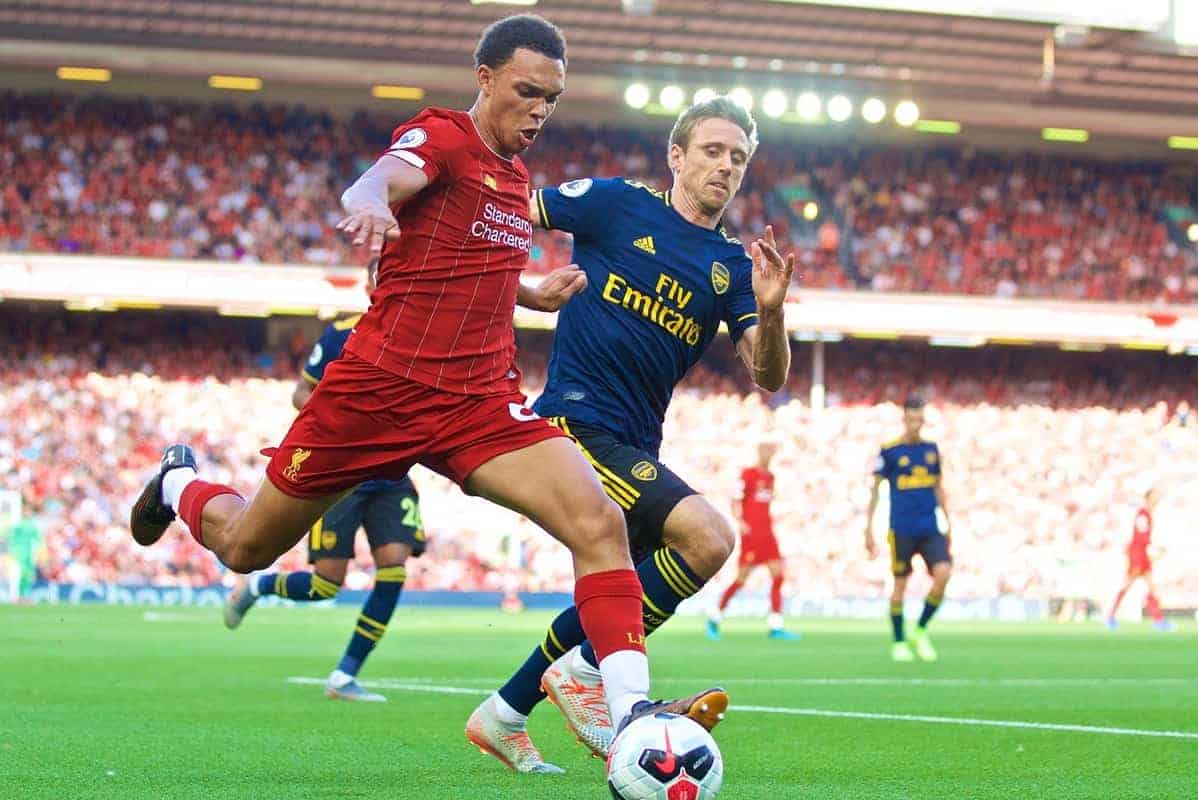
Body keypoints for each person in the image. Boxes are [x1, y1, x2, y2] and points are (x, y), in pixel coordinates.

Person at [128, 12, 723, 754]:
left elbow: (465, 265)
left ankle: (631, 716)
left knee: (598, 523)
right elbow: (384, 176)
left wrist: (528, 294)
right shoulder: (444, 136)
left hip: (478, 402)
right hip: (378, 391)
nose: (540, 109)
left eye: (553, 98)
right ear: (485, 79)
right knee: (246, 546)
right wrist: (372, 199)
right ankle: (176, 485)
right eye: (527, 90)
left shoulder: (514, 181)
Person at [466, 95, 795, 773]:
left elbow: (767, 374)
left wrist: (772, 310)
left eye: (738, 157)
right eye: (711, 150)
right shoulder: (616, 204)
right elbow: (505, 209)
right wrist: (523, 290)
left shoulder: (732, 267)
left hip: (636, 443)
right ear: (676, 155)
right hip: (575, 422)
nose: (725, 166)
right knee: (708, 538)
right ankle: (593, 674)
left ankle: (504, 713)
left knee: (611, 588)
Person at [222, 281, 430, 702]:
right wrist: (347, 416)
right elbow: (301, 392)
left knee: (393, 568)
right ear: (376, 283)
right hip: (344, 472)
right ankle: (258, 588)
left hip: (391, 473)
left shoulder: (424, 333)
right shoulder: (341, 334)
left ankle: (344, 675)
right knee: (325, 585)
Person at [864, 396, 952, 662]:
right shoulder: (890, 451)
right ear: (905, 418)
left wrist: (948, 521)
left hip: (929, 526)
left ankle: (920, 628)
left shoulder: (931, 450)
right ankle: (899, 641)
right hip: (901, 528)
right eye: (911, 418)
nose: (915, 424)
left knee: (943, 574)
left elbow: (938, 487)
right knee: (900, 585)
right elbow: (876, 491)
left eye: (919, 419)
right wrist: (868, 528)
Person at [706, 439, 800, 641]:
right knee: (741, 580)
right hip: (753, 534)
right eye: (766, 451)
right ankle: (714, 618)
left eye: (771, 452)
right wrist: (739, 520)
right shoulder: (749, 474)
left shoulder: (771, 477)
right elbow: (735, 497)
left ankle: (776, 626)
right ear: (759, 452)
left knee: (778, 575)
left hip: (768, 533)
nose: (769, 456)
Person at [1106, 487, 1174, 632]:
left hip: (1142, 552)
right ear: (1148, 498)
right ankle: (1111, 615)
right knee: (1129, 584)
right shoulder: (1143, 514)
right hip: (1138, 554)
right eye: (1155, 496)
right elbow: (1140, 536)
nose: (1158, 499)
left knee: (1150, 587)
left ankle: (1158, 620)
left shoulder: (1149, 513)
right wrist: (1154, 549)